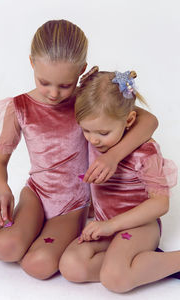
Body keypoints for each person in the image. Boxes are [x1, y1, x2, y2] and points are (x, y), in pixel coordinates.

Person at [0, 20, 157, 280]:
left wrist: (113, 157)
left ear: (81, 70)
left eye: (64, 85)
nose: (54, 94)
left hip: (72, 202)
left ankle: (38, 235)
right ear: (31, 63)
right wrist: (2, 190)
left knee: (38, 265)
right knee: (7, 247)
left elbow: (149, 121)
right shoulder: (19, 108)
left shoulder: (87, 99)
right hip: (36, 194)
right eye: (44, 82)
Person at [59, 67, 178, 292]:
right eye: (86, 131)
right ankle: (137, 264)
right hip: (105, 223)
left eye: (103, 133)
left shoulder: (145, 152)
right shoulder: (97, 131)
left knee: (115, 280)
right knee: (70, 266)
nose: (93, 140)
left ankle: (168, 262)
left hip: (139, 225)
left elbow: (161, 203)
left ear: (129, 120)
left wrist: (111, 225)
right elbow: (96, 98)